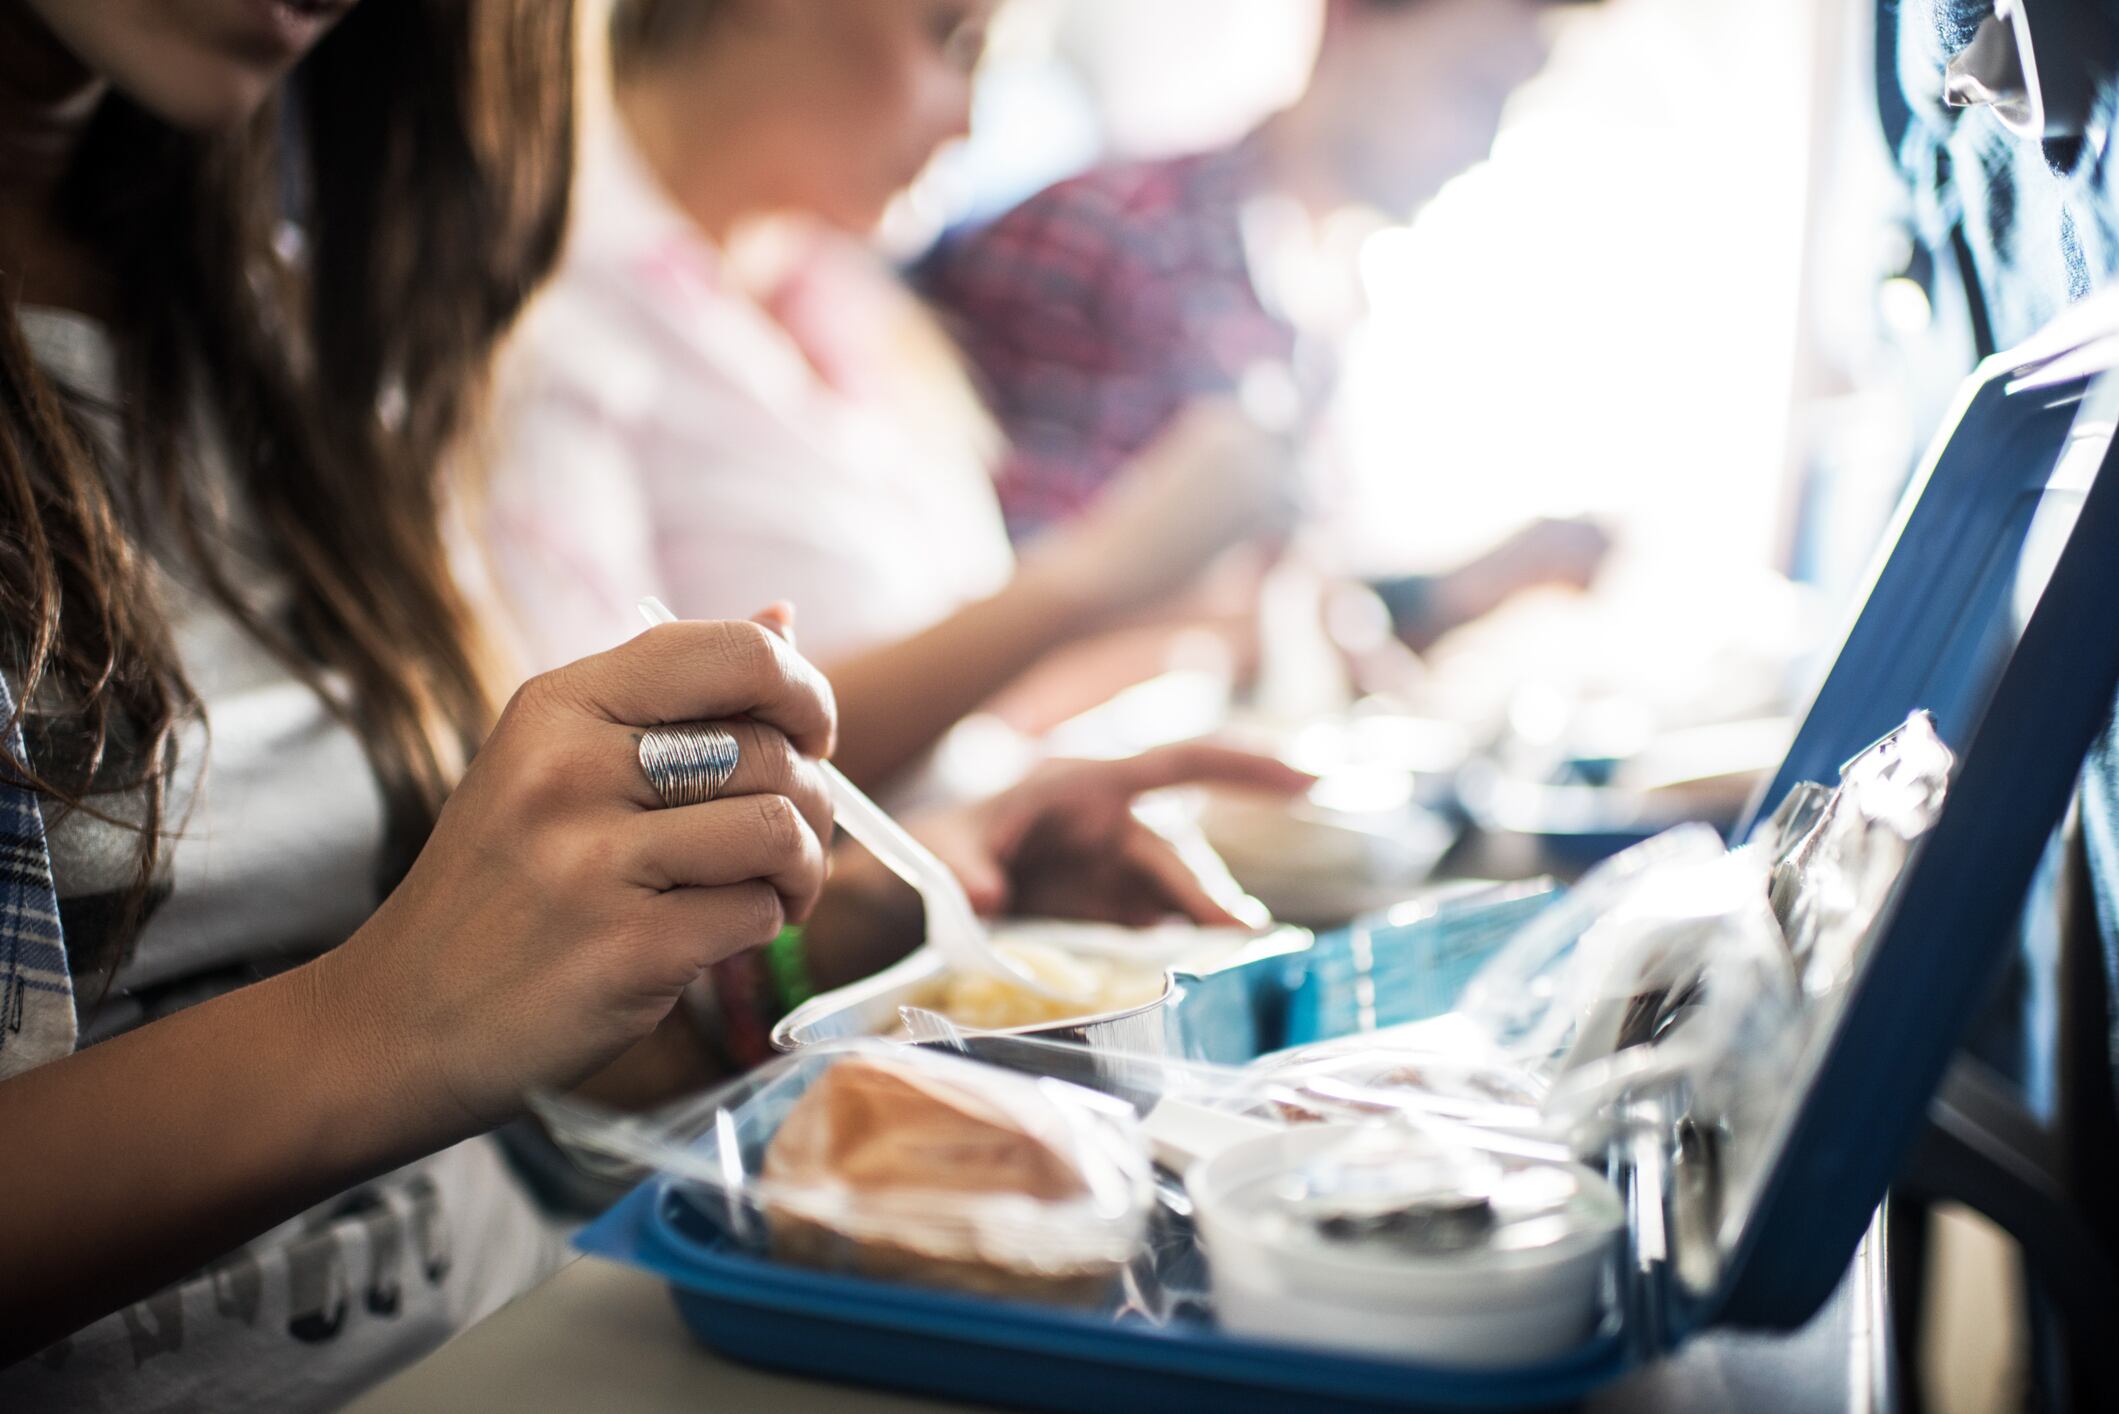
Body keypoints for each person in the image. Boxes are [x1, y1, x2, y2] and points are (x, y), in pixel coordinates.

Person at [0, 1, 1305, 1406]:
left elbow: (533, 1076)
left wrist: (827, 922)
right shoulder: (556, 329)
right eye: (949, 37)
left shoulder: (285, 326)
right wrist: (394, 1014)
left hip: (562, 1312)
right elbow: (412, 1023)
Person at [486, 0, 1302, 794]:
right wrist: (1093, 574)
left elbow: (948, 747)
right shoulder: (544, 313)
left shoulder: (844, 299)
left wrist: (1181, 641)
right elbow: (616, 781)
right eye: (950, 40)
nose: (970, 125)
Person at [921, 0, 1611, 653]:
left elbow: (1276, 632)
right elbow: (1002, 630)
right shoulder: (1114, 237)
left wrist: (1458, 592)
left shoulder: (1327, 316)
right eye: (1469, 92)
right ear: (1346, 20)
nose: (1480, 147)